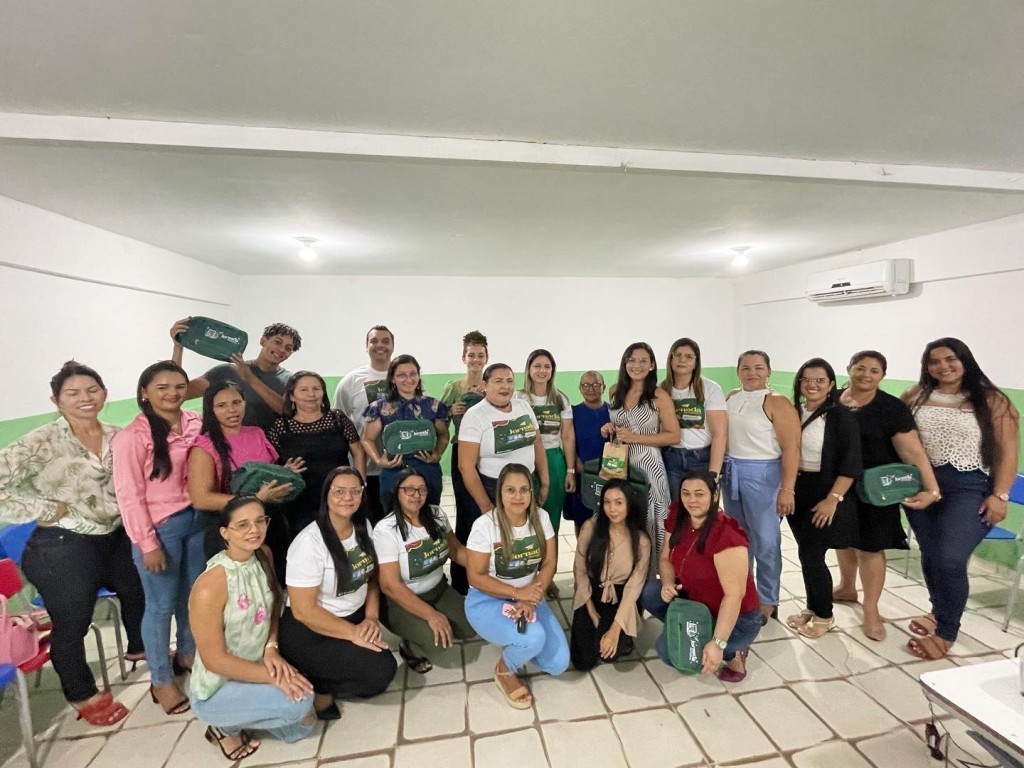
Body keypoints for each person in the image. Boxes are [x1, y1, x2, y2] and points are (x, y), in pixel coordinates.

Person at [0, 361, 145, 726]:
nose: (85, 398)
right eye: (73, 393)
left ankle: (140, 649)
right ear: (57, 400)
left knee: (139, 587)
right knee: (73, 621)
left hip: (114, 536)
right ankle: (81, 693)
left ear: (105, 393)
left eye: (92, 390)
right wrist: (44, 508)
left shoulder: (117, 435)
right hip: (62, 544)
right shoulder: (41, 441)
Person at [902, 338, 1019, 659]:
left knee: (950, 558)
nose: (943, 366)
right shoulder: (915, 395)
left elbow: (1008, 453)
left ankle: (946, 631)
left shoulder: (993, 400)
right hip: (922, 487)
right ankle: (938, 610)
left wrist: (1000, 495)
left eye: (950, 359)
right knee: (931, 554)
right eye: (934, 361)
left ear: (965, 360)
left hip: (970, 488)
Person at [189, 496, 316, 760]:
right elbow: (214, 660)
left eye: (260, 521)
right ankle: (223, 727)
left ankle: (244, 714)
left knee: (302, 728)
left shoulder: (263, 554)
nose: (254, 530)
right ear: (225, 532)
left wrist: (271, 647)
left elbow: (275, 602)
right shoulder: (210, 585)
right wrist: (273, 678)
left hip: (257, 663)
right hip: (218, 686)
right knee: (301, 702)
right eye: (243, 525)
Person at [112, 361, 205, 716]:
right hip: (159, 528)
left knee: (191, 596)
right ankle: (161, 680)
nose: (172, 393)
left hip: (196, 520)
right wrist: (147, 543)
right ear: (144, 393)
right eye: (162, 387)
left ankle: (188, 653)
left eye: (179, 386)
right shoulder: (131, 437)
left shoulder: (194, 422)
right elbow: (128, 495)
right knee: (160, 606)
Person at [832, 351, 940, 641]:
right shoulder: (835, 399)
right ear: (849, 368)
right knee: (843, 539)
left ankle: (871, 609)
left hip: (877, 488)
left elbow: (913, 451)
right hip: (840, 484)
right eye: (860, 368)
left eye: (874, 370)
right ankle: (846, 587)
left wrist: (931, 488)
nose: (866, 375)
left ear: (882, 375)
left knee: (870, 546)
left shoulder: (891, 408)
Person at [278, 467, 397, 720]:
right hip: (311, 629)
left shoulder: (362, 526)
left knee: (383, 668)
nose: (347, 497)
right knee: (381, 671)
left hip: (353, 616)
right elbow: (304, 611)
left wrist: (371, 617)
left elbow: (371, 578)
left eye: (355, 491)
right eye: (339, 491)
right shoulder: (309, 543)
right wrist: (354, 634)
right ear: (326, 495)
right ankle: (317, 684)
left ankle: (323, 675)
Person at [640, 471, 761, 683]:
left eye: (699, 494)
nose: (692, 500)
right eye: (686, 493)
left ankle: (733, 651)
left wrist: (717, 644)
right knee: (650, 592)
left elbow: (734, 596)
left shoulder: (727, 534)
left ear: (714, 496)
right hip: (695, 601)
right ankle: (686, 628)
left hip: (738, 618)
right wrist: (667, 583)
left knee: (667, 653)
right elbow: (665, 558)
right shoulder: (679, 516)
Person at [465, 463, 568, 709]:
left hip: (531, 595)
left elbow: (549, 563)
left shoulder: (541, 518)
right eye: (510, 490)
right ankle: (504, 669)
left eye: (524, 489)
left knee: (558, 664)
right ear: (500, 493)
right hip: (488, 599)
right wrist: (517, 593)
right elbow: (476, 577)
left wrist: (530, 597)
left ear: (532, 492)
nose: (518, 496)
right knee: (534, 637)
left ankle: (519, 639)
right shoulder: (484, 525)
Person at [784, 358, 861, 638]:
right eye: (806, 379)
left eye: (819, 380)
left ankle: (825, 615)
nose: (812, 385)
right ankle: (812, 607)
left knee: (813, 554)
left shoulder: (841, 417)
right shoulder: (793, 411)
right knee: (805, 553)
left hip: (825, 492)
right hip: (797, 489)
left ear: (831, 385)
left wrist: (832, 499)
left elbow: (851, 464)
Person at [722, 350, 800, 624]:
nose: (751, 373)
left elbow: (792, 448)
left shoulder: (777, 402)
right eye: (745, 367)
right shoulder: (732, 397)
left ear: (769, 371)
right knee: (739, 538)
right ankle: (743, 592)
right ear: (738, 371)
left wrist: (787, 489)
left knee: (766, 541)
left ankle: (768, 599)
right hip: (731, 472)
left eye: (758, 367)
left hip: (763, 475)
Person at [187, 381, 301, 567]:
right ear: (211, 410)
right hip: (233, 527)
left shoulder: (256, 433)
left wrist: (284, 473)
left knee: (275, 577)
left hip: (270, 520)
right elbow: (201, 499)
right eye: (222, 405)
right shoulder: (204, 446)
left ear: (244, 403)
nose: (231, 410)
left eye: (236, 402)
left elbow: (264, 474)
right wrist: (255, 499)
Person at [373, 469, 474, 674]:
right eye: (409, 489)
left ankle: (426, 623)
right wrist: (431, 615)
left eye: (421, 489)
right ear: (396, 492)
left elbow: (455, 550)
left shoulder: (436, 514)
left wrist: (489, 565)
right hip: (399, 600)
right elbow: (390, 586)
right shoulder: (386, 530)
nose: (416, 495)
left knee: (472, 626)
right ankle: (409, 647)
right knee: (437, 641)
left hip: (438, 589)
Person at [602, 342, 678, 572]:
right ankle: (625, 570)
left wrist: (636, 437)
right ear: (625, 363)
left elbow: (673, 435)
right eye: (632, 360)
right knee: (623, 515)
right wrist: (609, 429)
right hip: (620, 465)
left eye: (643, 360)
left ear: (652, 365)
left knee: (652, 520)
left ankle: (653, 575)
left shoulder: (658, 395)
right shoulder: (615, 391)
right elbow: (619, 424)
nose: (637, 365)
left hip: (648, 465)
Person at [267, 371, 365, 536]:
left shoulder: (337, 419)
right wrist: (285, 471)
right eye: (303, 390)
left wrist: (360, 485)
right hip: (302, 501)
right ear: (291, 396)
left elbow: (358, 452)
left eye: (316, 389)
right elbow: (271, 465)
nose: (311, 394)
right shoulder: (280, 427)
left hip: (343, 495)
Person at [570, 479, 651, 671]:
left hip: (620, 596)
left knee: (610, 654)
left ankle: (624, 633)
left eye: (619, 502)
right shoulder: (591, 527)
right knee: (582, 662)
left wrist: (615, 629)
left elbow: (634, 587)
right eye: (607, 502)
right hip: (592, 591)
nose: (612, 509)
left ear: (629, 504)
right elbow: (579, 569)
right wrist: (590, 609)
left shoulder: (641, 540)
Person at [171, 320, 303, 433]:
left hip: (268, 450)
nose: (282, 349)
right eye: (277, 342)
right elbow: (180, 393)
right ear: (263, 341)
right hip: (225, 447)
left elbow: (286, 411)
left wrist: (250, 378)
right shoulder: (226, 371)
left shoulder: (290, 380)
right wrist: (178, 347)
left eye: (288, 348)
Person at [458, 363, 550, 514]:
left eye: (509, 381)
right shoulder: (475, 415)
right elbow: (466, 467)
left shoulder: (524, 407)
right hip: (494, 488)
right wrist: (486, 506)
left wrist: (545, 484)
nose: (505, 386)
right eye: (498, 381)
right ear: (485, 385)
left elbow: (538, 444)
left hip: (529, 483)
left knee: (528, 526)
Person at [360, 354, 450, 508]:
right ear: (392, 378)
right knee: (394, 515)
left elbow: (443, 434)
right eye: (401, 375)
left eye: (413, 374)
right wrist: (378, 460)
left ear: (419, 376)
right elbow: (367, 439)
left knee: (429, 513)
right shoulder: (380, 407)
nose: (408, 379)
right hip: (394, 470)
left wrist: (437, 454)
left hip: (427, 470)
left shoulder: (433, 406)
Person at [439, 330, 489, 594]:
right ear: (463, 358)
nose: (476, 360)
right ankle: (461, 579)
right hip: (462, 455)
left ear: (486, 358)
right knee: (467, 514)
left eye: (480, 355)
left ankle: (487, 573)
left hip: (487, 456)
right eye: (471, 355)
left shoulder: (492, 385)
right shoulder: (453, 389)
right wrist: (450, 411)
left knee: (487, 512)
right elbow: (439, 423)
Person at [334, 325, 395, 523]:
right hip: (365, 469)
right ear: (366, 346)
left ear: (393, 346)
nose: (380, 345)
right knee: (370, 522)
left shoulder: (405, 377)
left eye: (385, 341)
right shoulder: (351, 381)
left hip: (401, 466)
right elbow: (339, 420)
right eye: (374, 341)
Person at [516, 349, 576, 536]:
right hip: (524, 458)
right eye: (537, 366)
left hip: (553, 459)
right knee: (522, 514)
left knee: (551, 517)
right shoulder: (517, 398)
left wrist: (570, 470)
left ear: (552, 371)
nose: (542, 371)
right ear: (529, 369)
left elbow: (567, 436)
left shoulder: (560, 399)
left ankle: (550, 553)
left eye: (547, 367)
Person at [661, 338, 727, 504]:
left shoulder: (710, 388)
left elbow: (720, 434)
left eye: (689, 356)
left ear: (696, 362)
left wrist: (713, 474)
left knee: (701, 509)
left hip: (701, 459)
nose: (682, 360)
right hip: (671, 458)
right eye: (678, 355)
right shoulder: (661, 389)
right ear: (670, 359)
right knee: (676, 508)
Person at [564, 371, 611, 534]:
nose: (591, 389)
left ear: (604, 387)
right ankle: (582, 550)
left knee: (607, 522)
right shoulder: (573, 412)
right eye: (586, 385)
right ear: (580, 388)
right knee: (582, 523)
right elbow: (567, 441)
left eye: (596, 385)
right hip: (581, 476)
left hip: (608, 477)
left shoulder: (613, 412)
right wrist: (578, 468)